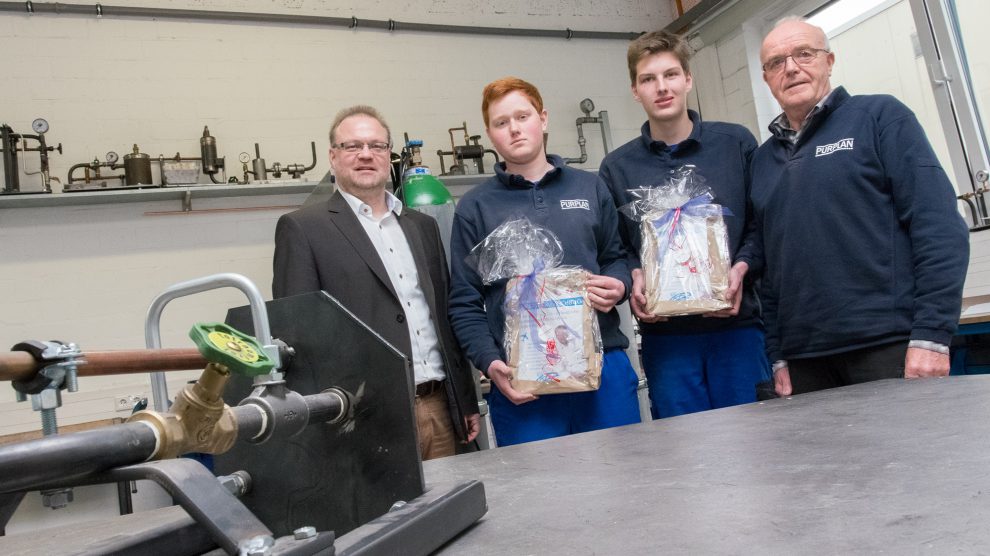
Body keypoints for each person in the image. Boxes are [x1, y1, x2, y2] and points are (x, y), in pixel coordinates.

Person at [752, 17, 969, 396]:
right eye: (776, 62)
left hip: (889, 348)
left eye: (804, 53)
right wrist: (778, 355)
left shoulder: (881, 117)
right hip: (804, 362)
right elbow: (768, 270)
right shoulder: (762, 161)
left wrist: (932, 335)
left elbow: (938, 227)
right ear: (767, 78)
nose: (791, 68)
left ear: (829, 61)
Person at [272, 105, 480, 460]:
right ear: (333, 157)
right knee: (387, 518)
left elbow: (441, 319)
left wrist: (465, 398)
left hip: (439, 408)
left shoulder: (421, 226)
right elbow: (297, 335)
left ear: (389, 156)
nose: (366, 154)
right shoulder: (304, 228)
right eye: (352, 146)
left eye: (377, 146)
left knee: (453, 510)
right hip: (364, 420)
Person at [448, 77, 641, 447]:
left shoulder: (590, 187)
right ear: (489, 133)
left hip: (602, 368)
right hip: (524, 377)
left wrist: (619, 285)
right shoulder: (475, 207)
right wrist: (490, 362)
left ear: (544, 119)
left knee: (626, 480)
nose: (515, 128)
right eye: (501, 122)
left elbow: (615, 258)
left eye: (523, 116)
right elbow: (464, 301)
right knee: (541, 495)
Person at [598, 30, 770, 418]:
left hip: (737, 331)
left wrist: (741, 269)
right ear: (635, 90)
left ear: (688, 79)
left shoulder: (736, 144)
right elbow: (618, 247)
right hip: (666, 339)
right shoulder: (617, 167)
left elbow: (761, 226)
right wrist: (636, 274)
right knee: (684, 452)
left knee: (757, 443)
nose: (662, 87)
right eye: (648, 79)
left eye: (671, 74)